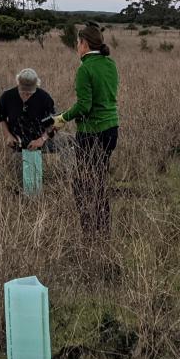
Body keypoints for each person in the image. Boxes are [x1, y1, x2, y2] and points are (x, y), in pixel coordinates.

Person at [52, 22, 119, 234]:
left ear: (84, 44)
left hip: (92, 133)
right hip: (111, 130)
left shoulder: (85, 68)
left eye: (77, 43)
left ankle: (90, 231)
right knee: (99, 180)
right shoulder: (110, 64)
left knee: (84, 184)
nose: (76, 47)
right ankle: (103, 229)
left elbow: (83, 107)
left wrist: (61, 118)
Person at [0, 68, 57, 152]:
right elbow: (0, 116)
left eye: (30, 93)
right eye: (23, 92)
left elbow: (54, 123)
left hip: (41, 147)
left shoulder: (44, 98)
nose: (26, 95)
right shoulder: (7, 97)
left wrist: (42, 139)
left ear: (36, 86)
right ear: (18, 84)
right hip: (15, 146)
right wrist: (7, 135)